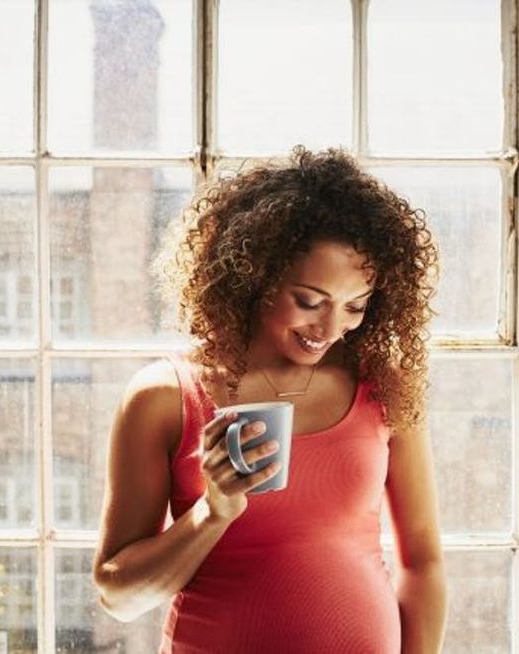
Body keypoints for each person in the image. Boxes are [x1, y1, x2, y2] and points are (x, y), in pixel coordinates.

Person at [93, 146, 447, 653]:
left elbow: (423, 562)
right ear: (255, 274)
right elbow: (118, 596)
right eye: (309, 300)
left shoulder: (382, 388)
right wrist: (213, 512)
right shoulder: (166, 398)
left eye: (355, 307)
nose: (330, 329)